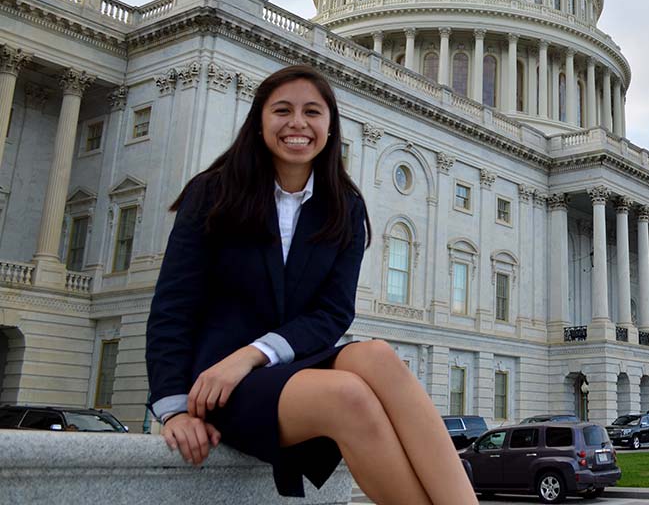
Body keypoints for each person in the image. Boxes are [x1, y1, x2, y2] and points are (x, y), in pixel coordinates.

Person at [146, 65, 477, 504]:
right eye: (282, 110)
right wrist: (172, 409)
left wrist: (252, 355)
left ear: (329, 126)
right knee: (347, 395)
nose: (297, 123)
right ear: (260, 122)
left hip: (283, 364)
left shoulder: (344, 207)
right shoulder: (213, 193)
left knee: (377, 355)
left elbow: (333, 314)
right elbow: (172, 305)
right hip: (219, 383)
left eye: (312, 112)